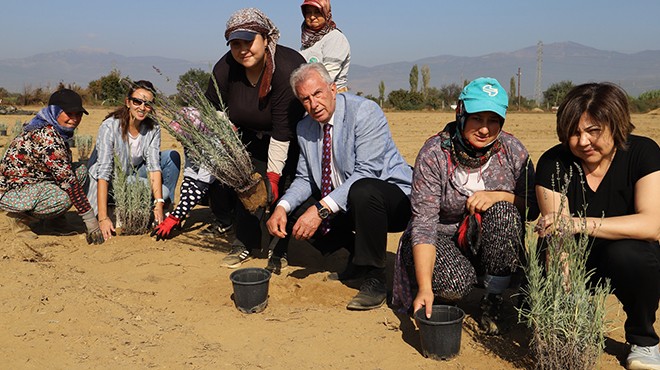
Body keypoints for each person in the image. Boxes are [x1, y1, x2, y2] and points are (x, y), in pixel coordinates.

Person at [392, 77, 538, 334]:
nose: (485, 129)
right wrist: (426, 287)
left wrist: (499, 196)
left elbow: (534, 207)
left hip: (486, 239)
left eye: (493, 120)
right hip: (440, 237)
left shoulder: (513, 150)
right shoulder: (434, 153)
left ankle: (492, 298)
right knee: (456, 285)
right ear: (461, 113)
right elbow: (424, 224)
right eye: (477, 119)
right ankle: (438, 281)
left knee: (504, 212)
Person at [266, 63, 413, 311]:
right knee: (293, 210)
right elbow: (305, 178)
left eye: (318, 94)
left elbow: (368, 172)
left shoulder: (364, 112)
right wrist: (281, 206)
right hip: (346, 203)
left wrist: (320, 210)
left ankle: (375, 278)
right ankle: (357, 258)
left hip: (392, 201)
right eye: (305, 99)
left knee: (364, 190)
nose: (313, 104)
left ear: (333, 89)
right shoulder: (305, 127)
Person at [535, 82, 660, 369]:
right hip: (572, 259)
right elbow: (558, 237)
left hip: (625, 260)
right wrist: (565, 315)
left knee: (633, 255)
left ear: (616, 125)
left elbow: (652, 225)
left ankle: (644, 341)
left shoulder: (644, 153)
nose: (582, 142)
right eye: (574, 133)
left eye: (593, 131)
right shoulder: (553, 163)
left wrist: (577, 223)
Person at [205, 8, 306, 268]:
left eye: (249, 42)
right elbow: (213, 106)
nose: (242, 50)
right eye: (235, 44)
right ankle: (244, 243)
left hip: (291, 138)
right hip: (248, 135)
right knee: (247, 186)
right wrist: (229, 130)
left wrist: (272, 177)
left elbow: (283, 129)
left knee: (283, 189)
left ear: (266, 38)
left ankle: (279, 249)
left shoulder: (286, 68)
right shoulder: (226, 67)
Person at [0, 89, 103, 244]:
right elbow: (69, 183)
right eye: (69, 114)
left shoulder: (53, 129)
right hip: (15, 191)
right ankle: (19, 220)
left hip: (36, 182)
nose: (74, 119)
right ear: (55, 112)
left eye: (78, 114)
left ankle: (55, 222)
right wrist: (92, 223)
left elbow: (64, 171)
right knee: (65, 197)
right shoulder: (47, 136)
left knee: (81, 171)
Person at [86, 80, 181, 241]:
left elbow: (153, 165)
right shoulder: (110, 127)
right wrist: (102, 217)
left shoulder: (153, 128)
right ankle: (120, 207)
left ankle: (163, 210)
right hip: (115, 177)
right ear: (128, 102)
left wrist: (158, 203)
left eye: (148, 104)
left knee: (171, 156)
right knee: (162, 191)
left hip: (135, 171)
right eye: (137, 101)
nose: (142, 108)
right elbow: (104, 171)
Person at [151, 107, 234, 240]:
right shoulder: (191, 143)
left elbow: (201, 184)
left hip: (229, 182)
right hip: (205, 179)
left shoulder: (214, 144)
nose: (179, 139)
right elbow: (190, 175)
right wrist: (182, 213)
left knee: (215, 185)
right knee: (193, 190)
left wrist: (175, 216)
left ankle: (225, 221)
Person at [299, 0, 351, 92]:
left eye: (317, 12)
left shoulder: (335, 38)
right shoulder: (308, 41)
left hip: (333, 97)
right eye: (308, 12)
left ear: (326, 13)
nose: (312, 17)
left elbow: (328, 75)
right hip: (311, 95)